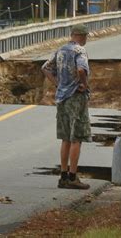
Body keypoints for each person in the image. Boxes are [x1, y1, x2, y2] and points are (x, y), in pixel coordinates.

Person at [42, 24, 91, 189]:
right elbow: (81, 69)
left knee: (65, 138)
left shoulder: (61, 50)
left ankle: (63, 176)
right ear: (82, 36)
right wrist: (84, 84)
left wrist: (58, 84)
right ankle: (72, 177)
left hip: (61, 97)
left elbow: (45, 68)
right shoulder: (79, 51)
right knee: (76, 137)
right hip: (76, 97)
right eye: (85, 36)